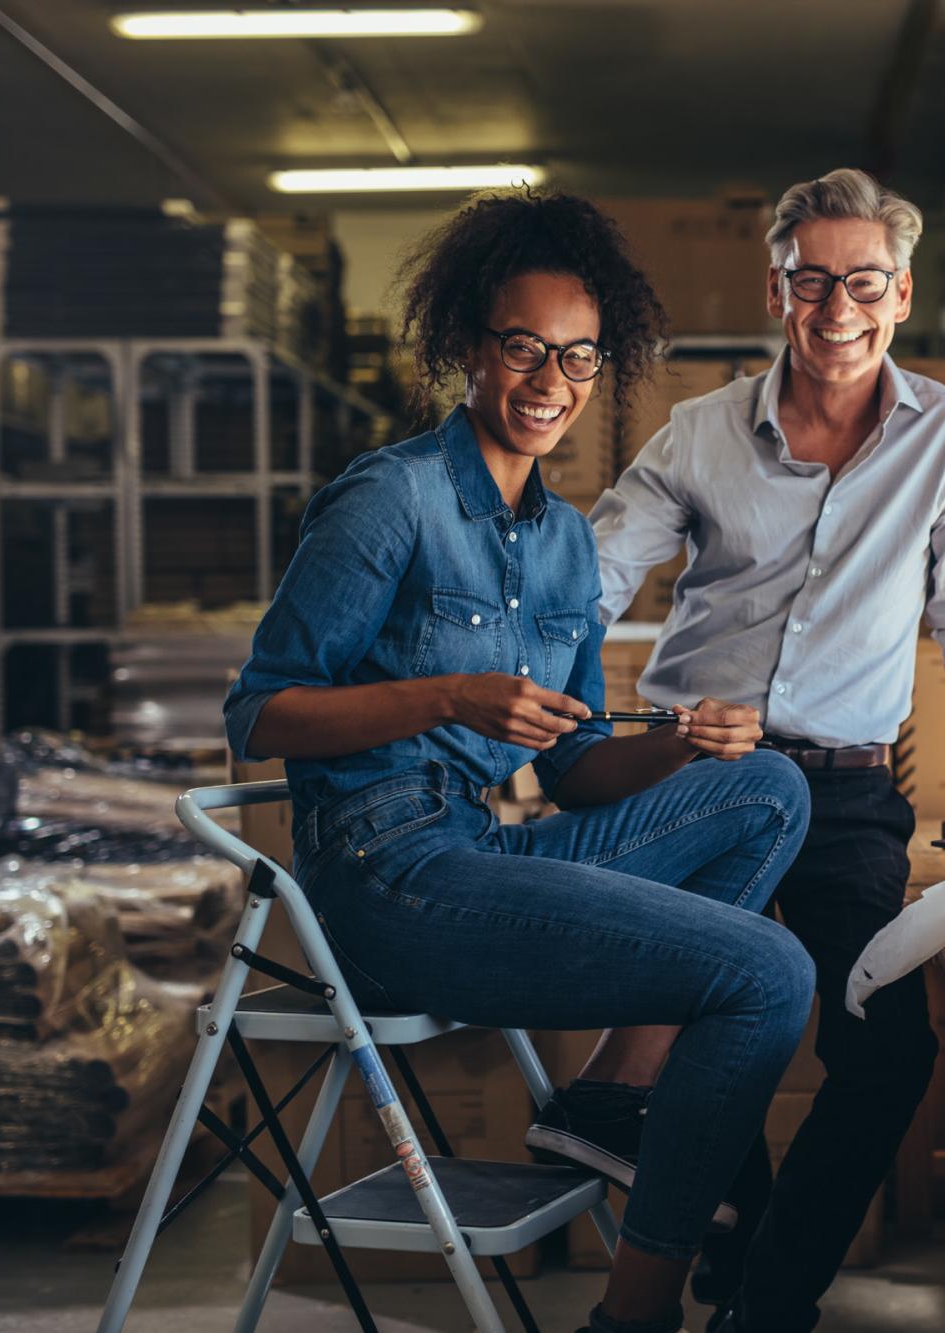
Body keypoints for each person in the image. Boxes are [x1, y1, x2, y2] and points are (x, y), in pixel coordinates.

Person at [222, 189, 816, 1333]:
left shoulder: (559, 543)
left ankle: (604, 1098)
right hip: (384, 871)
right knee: (767, 974)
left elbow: (579, 763)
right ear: (465, 348)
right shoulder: (389, 498)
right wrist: (446, 697)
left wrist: (672, 743)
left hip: (486, 842)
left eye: (580, 357)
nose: (551, 380)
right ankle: (633, 1315)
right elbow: (262, 713)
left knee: (764, 785)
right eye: (524, 348)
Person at [576, 167, 945, 1332]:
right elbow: (590, 578)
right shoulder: (699, 433)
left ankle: (768, 1298)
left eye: (862, 281)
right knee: (710, 1025)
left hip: (843, 791)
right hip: (704, 782)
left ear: (901, 290)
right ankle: (731, 1240)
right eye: (810, 280)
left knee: (880, 1057)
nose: (836, 310)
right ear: (775, 287)